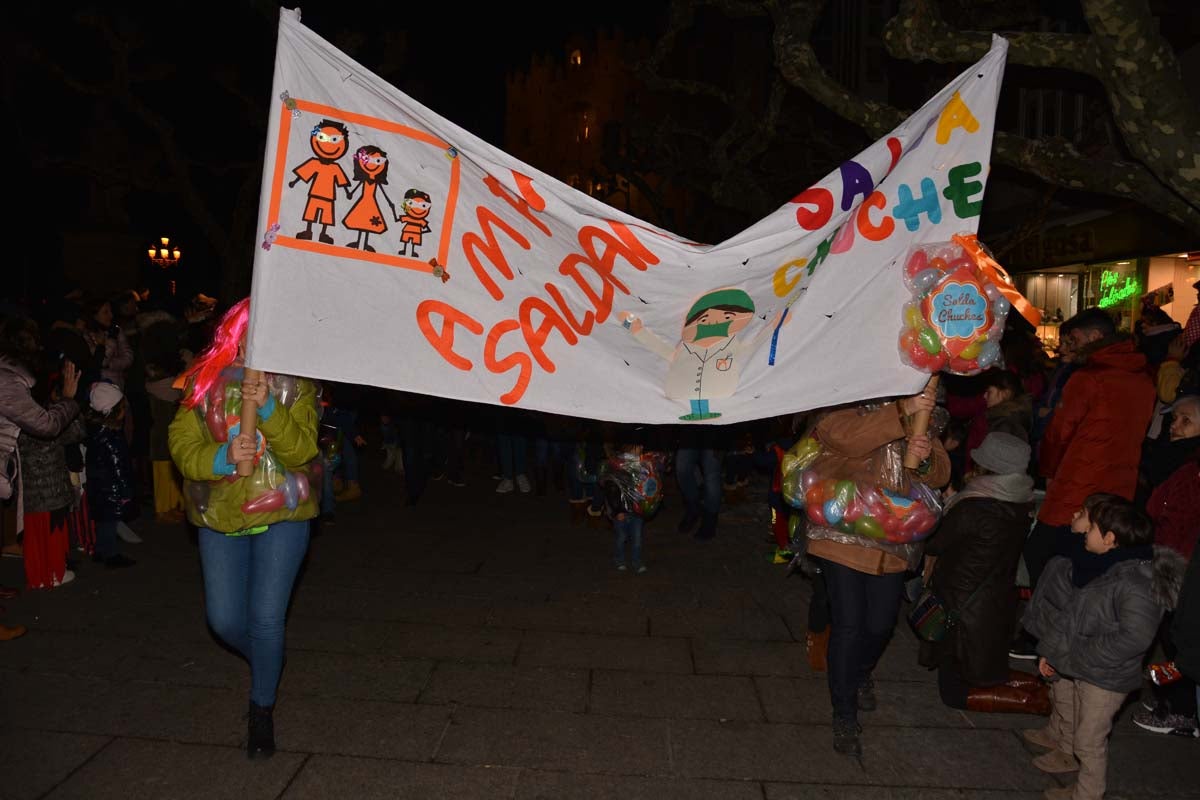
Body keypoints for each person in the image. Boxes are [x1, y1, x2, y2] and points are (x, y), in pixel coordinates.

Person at [167, 297, 321, 760]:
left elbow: (303, 452)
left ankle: (261, 707)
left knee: (266, 620)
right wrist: (221, 457)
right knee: (225, 620)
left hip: (282, 514)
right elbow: (181, 443)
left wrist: (271, 409)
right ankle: (267, 665)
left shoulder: (299, 380)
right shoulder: (204, 377)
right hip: (220, 514)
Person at [803, 386, 951, 756]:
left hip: (893, 535)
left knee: (881, 623)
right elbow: (847, 439)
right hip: (843, 529)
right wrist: (901, 411)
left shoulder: (919, 400)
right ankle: (844, 711)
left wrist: (926, 455)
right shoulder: (843, 393)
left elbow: (940, 473)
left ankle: (859, 671)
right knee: (849, 624)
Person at [1014, 307, 1156, 660]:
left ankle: (1043, 636)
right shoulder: (1143, 378)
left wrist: (1046, 468)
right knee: (1095, 566)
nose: (1066, 347)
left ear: (1095, 338)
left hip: (1077, 486)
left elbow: (1060, 433)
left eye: (1073, 339)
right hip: (1119, 489)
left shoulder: (1088, 378)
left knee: (1044, 558)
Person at [1021, 494, 1186, 800]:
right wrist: (1055, 653)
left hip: (1105, 676)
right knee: (1083, 731)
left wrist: (1080, 655)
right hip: (1088, 667)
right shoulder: (1104, 568)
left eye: (1092, 526)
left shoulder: (1136, 582)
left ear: (1110, 539)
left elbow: (1134, 638)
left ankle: (1087, 794)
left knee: (1088, 741)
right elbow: (1072, 619)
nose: (1085, 530)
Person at [918, 432, 1047, 714]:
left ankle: (1033, 701)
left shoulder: (975, 506)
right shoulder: (1020, 503)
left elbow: (936, 542)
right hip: (991, 605)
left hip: (960, 606)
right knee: (978, 671)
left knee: (953, 691)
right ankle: (1035, 686)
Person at [84, 382, 137, 569]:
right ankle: (111, 554)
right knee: (109, 521)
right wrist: (126, 490)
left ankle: (100, 549)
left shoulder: (95, 432)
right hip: (111, 488)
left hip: (98, 486)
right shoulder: (112, 437)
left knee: (102, 520)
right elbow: (118, 466)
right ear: (113, 411)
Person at [598, 429, 663, 574]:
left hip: (637, 510)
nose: (641, 449)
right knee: (621, 537)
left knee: (637, 538)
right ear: (628, 447)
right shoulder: (617, 466)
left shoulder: (643, 464)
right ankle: (619, 559)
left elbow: (648, 485)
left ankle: (637, 561)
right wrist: (617, 510)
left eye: (641, 446)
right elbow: (612, 490)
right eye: (637, 446)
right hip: (621, 511)